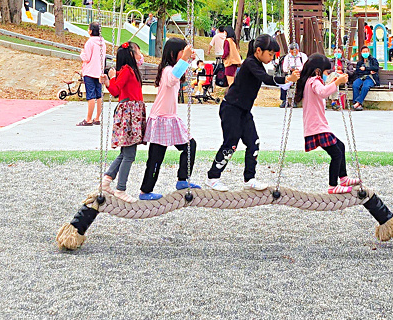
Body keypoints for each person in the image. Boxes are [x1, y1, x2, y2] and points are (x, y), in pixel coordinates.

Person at [207, 33, 299, 191]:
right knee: (231, 143)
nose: (271, 58)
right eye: (270, 54)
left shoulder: (257, 64)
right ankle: (213, 177)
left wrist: (288, 80)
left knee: (253, 142)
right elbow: (266, 79)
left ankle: (249, 178)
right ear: (258, 50)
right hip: (231, 109)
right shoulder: (250, 63)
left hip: (244, 111)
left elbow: (266, 77)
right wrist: (287, 79)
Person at [139, 38, 200, 199]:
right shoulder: (167, 70)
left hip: (170, 118)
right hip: (161, 118)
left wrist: (189, 58)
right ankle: (145, 190)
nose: (184, 55)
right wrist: (185, 58)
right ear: (174, 54)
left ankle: (182, 179)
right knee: (156, 158)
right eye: (182, 52)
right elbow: (173, 78)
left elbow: (180, 75)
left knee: (189, 145)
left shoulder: (173, 69)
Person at [296, 54, 362, 193]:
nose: (327, 75)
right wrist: (337, 82)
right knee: (336, 154)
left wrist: (335, 81)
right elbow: (323, 92)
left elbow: (323, 90)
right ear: (318, 71)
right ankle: (333, 186)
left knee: (340, 146)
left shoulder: (310, 80)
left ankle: (343, 178)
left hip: (318, 125)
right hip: (317, 126)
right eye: (327, 72)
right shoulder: (314, 81)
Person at [100, 43, 146, 200]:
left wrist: (109, 81)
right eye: (139, 52)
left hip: (132, 112)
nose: (141, 55)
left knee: (125, 151)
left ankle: (106, 180)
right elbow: (116, 91)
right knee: (129, 154)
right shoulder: (126, 70)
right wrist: (111, 79)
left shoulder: (129, 70)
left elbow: (114, 90)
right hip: (129, 114)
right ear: (131, 54)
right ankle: (120, 189)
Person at [78, 23, 106, 126]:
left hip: (90, 72)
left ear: (90, 31)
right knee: (99, 95)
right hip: (99, 72)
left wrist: (82, 53)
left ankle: (88, 119)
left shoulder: (90, 42)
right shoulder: (103, 42)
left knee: (91, 96)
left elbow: (87, 58)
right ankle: (97, 118)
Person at [349, 46, 380, 110]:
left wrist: (365, 69)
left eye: (366, 51)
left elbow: (376, 68)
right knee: (355, 85)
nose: (365, 53)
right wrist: (369, 71)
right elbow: (358, 71)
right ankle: (358, 105)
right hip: (361, 77)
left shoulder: (373, 60)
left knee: (365, 86)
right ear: (361, 53)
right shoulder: (360, 62)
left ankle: (357, 103)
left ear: (369, 52)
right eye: (364, 52)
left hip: (370, 78)